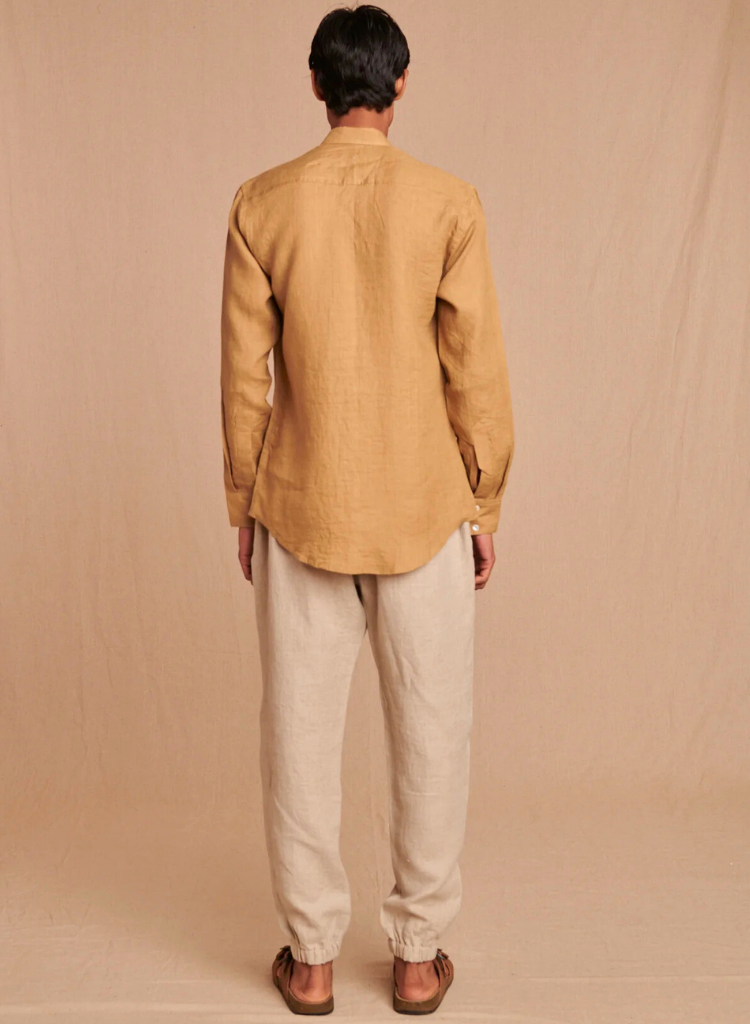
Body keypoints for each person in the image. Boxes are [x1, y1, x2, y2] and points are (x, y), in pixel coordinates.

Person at [219, 4, 514, 1014]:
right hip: (423, 507)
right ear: (399, 84)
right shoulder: (448, 203)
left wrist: (245, 500)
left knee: (298, 739)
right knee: (432, 732)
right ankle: (418, 957)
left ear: (317, 84)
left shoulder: (261, 203)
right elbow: (475, 369)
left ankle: (310, 960)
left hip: (300, 504)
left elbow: (244, 378)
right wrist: (484, 499)